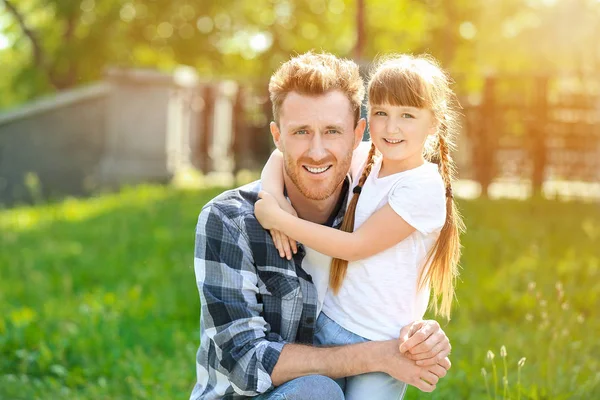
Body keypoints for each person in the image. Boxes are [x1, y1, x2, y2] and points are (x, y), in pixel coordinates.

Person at [191, 52, 452, 400]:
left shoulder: (368, 199)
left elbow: (368, 258)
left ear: (357, 134)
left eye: (332, 131)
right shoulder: (229, 220)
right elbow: (245, 364)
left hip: (363, 349)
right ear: (278, 137)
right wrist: (272, 199)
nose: (317, 152)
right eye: (301, 132)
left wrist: (420, 338)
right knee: (318, 391)